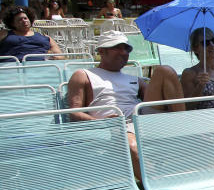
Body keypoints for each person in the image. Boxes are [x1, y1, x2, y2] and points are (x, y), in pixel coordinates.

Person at [66, 31, 185, 178]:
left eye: (127, 49)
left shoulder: (135, 79)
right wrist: (100, 122)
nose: (124, 52)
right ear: (101, 51)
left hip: (141, 117)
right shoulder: (83, 75)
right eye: (117, 47)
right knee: (131, 146)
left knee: (164, 70)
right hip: (117, 124)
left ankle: (183, 126)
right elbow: (73, 113)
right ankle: (157, 181)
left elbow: (156, 103)